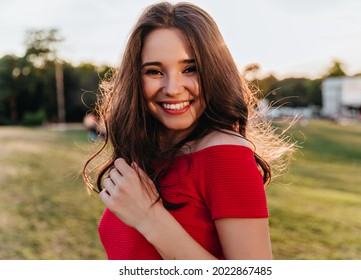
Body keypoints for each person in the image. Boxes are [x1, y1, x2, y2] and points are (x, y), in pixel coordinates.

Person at [83, 1, 294, 260]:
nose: (173, 88)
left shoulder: (226, 156)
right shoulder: (149, 152)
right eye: (154, 71)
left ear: (214, 72)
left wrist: (150, 218)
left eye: (190, 69)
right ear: (136, 79)